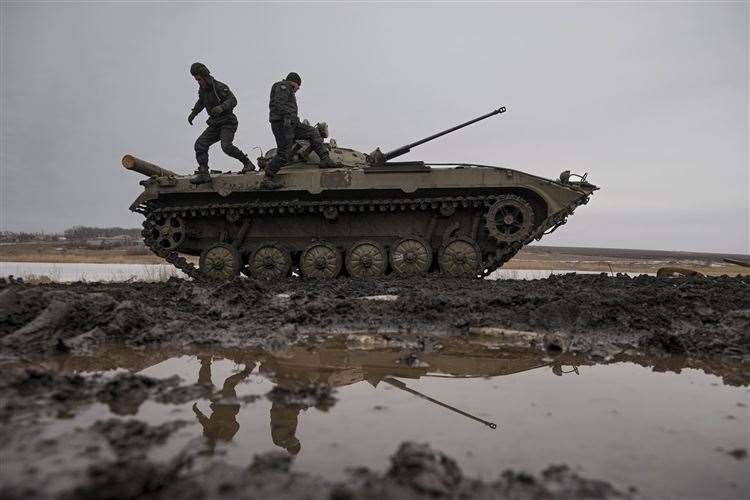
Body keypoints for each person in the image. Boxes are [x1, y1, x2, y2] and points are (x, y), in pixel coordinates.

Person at [260, 72, 336, 190]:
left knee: (312, 132)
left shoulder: (288, 89)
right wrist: (289, 118)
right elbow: (280, 104)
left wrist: (294, 120)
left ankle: (325, 159)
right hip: (283, 124)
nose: (298, 89)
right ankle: (267, 178)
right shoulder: (283, 86)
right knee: (284, 153)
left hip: (292, 123)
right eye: (298, 86)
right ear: (294, 83)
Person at [187, 62, 255, 185]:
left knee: (226, 147)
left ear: (205, 76)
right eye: (196, 80)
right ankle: (204, 174)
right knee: (200, 144)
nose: (198, 82)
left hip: (228, 122)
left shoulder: (219, 87)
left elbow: (233, 100)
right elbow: (200, 103)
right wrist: (193, 114)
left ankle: (247, 163)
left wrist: (222, 107)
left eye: (199, 79)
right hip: (215, 124)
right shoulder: (203, 90)